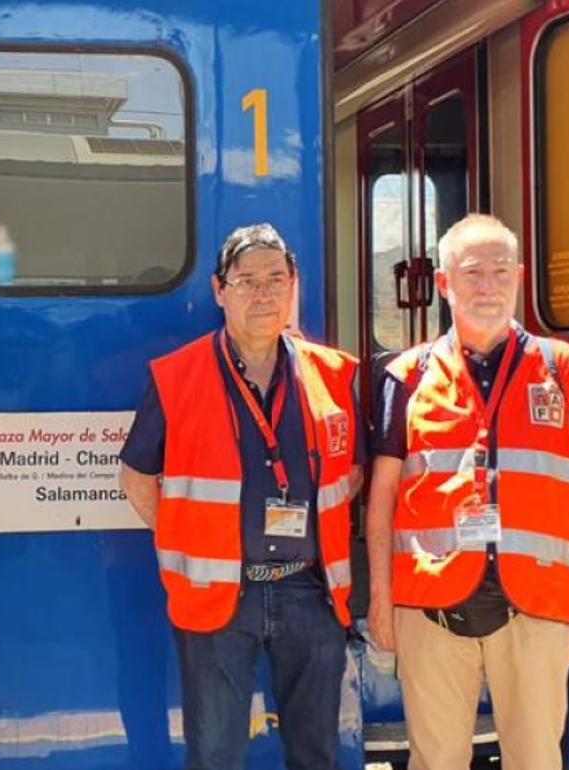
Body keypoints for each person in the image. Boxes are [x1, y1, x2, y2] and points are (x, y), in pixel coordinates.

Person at [118, 223, 364, 770]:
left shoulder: (334, 375)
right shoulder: (175, 377)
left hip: (310, 592)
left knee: (316, 753)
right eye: (247, 280)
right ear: (219, 289)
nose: (263, 293)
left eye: (276, 279)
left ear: (293, 286)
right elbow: (136, 476)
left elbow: (354, 473)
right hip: (218, 596)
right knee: (215, 755)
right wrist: (187, 535)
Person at [365, 213, 569, 770]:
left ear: (518, 276)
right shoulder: (407, 376)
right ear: (445, 284)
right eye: (472, 273)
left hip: (536, 610)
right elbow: (381, 502)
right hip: (431, 612)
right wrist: (380, 599)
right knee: (434, 760)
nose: (487, 286)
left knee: (537, 760)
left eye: (499, 272)